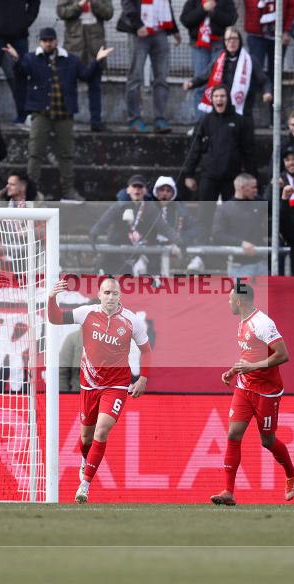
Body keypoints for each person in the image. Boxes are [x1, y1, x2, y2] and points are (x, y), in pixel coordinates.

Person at [48, 277, 152, 504]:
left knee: (101, 431)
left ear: (120, 296)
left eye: (114, 294)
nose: (111, 298)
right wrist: (51, 297)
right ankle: (86, 460)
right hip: (89, 385)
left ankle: (84, 485)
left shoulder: (132, 320)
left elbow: (146, 350)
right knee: (86, 438)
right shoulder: (86, 313)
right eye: (107, 293)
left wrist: (143, 378)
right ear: (99, 294)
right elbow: (55, 318)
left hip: (116, 385)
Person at [211, 279, 294, 506]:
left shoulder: (263, 323)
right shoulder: (242, 322)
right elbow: (249, 355)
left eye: (230, 298)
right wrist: (234, 371)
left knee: (267, 441)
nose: (228, 302)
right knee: (233, 434)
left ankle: (291, 472)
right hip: (244, 386)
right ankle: (228, 491)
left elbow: (283, 355)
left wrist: (252, 367)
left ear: (239, 301)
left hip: (266, 392)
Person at [3, 27, 112, 201]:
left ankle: (68, 190)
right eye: (45, 41)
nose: (48, 44)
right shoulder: (32, 58)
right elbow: (21, 73)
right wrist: (16, 60)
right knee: (35, 153)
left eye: (51, 40)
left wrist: (97, 62)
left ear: (56, 41)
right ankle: (30, 193)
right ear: (40, 42)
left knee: (66, 154)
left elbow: (85, 75)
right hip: (40, 113)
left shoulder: (70, 59)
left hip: (64, 114)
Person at [185, 85, 256, 234]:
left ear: (228, 98)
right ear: (212, 99)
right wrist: (189, 174)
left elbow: (249, 152)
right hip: (209, 176)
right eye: (216, 96)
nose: (219, 99)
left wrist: (252, 177)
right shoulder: (205, 121)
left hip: (232, 178)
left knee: (234, 218)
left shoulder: (240, 122)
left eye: (222, 96)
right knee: (204, 217)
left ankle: (233, 253)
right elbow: (194, 148)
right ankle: (202, 253)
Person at [118, 0, 181, 133]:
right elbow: (126, 1)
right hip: (139, 32)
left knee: (162, 77)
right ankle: (134, 119)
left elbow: (166, 2)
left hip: (160, 31)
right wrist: (137, 24)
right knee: (135, 76)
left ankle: (160, 118)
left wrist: (174, 29)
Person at [88, 176, 180, 275]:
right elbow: (105, 220)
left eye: (140, 187)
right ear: (128, 190)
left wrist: (176, 239)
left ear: (144, 191)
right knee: (101, 274)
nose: (137, 190)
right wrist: (94, 232)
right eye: (134, 187)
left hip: (137, 252)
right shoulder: (120, 205)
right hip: (116, 250)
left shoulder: (150, 207)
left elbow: (162, 226)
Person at [57, 0, 114, 132]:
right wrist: (82, 2)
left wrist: (94, 1)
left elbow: (108, 13)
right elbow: (62, 12)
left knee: (95, 86)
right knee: (69, 86)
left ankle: (96, 121)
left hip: (95, 46)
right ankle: (66, 121)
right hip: (74, 46)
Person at [182, 26, 270, 122]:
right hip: (222, 109)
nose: (231, 42)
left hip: (243, 110)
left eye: (235, 39)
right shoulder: (219, 59)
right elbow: (205, 75)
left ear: (240, 41)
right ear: (224, 42)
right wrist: (192, 83)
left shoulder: (250, 60)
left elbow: (264, 80)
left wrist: (267, 92)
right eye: (228, 39)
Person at [180, 0, 237, 113]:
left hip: (218, 43)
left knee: (217, 82)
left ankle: (216, 120)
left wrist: (214, 12)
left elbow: (231, 19)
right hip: (199, 45)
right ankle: (200, 123)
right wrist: (203, 9)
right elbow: (185, 19)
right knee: (199, 82)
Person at [226, 0, 294, 85]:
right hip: (256, 34)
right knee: (254, 69)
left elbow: (292, 6)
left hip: (278, 35)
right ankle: (255, 99)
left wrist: (287, 31)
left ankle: (273, 98)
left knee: (276, 72)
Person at [211, 173, 269, 276]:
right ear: (242, 188)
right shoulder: (224, 209)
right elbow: (217, 234)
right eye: (253, 187)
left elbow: (277, 209)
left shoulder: (259, 203)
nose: (256, 190)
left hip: (261, 263)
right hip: (239, 266)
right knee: (242, 293)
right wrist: (241, 243)